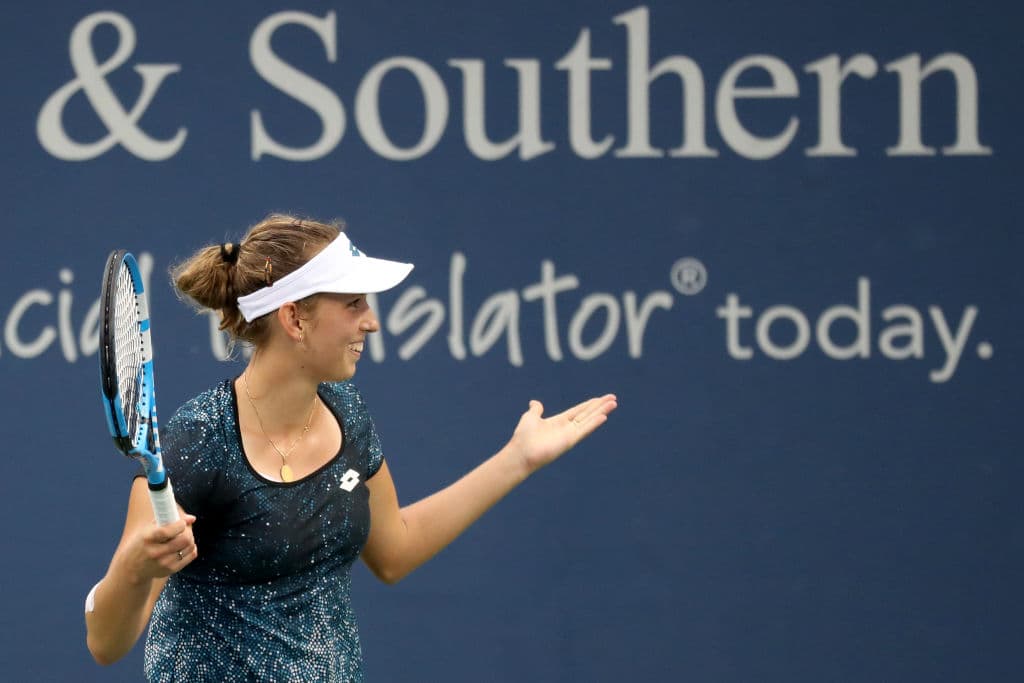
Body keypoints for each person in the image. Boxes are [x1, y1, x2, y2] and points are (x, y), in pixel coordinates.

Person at [84, 214, 617, 681]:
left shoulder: (348, 413)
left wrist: (516, 460)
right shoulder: (198, 442)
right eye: (354, 303)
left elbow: (394, 551)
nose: (373, 321)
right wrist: (133, 569)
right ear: (294, 319)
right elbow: (106, 643)